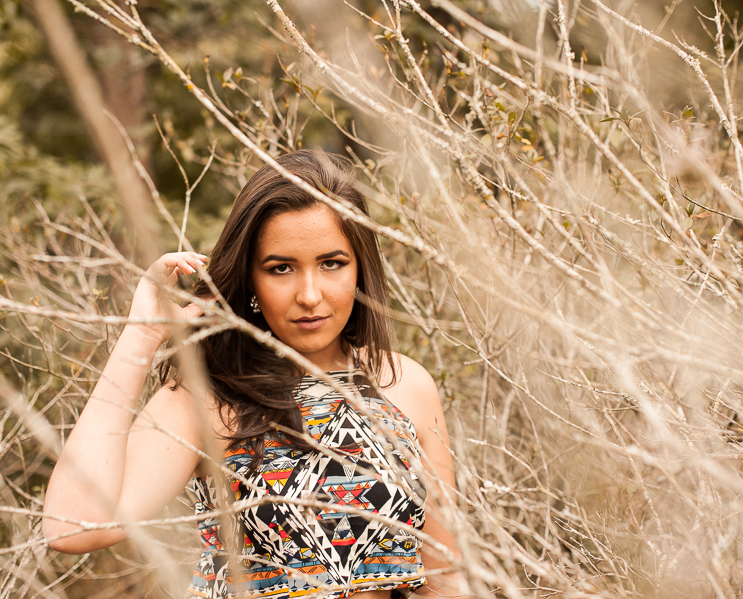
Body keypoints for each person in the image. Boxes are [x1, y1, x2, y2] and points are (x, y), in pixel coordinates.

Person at [42, 151, 463, 599]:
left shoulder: (406, 386)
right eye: (281, 268)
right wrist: (140, 338)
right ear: (250, 280)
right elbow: (74, 527)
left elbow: (444, 578)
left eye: (331, 263)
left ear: (360, 270)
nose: (309, 295)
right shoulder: (210, 398)